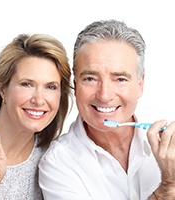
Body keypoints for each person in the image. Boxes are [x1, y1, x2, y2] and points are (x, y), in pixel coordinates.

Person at [39, 19, 175, 199]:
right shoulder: (58, 163)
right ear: (75, 85)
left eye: (120, 79)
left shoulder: (169, 136)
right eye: (90, 79)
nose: (104, 95)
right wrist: (168, 187)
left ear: (140, 85)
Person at [0, 33, 72, 199]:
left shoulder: (52, 163)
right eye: (27, 84)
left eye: (51, 87)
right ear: (3, 89)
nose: (39, 100)